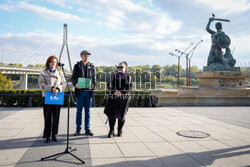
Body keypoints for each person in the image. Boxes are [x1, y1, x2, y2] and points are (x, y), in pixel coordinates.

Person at [38, 55, 66, 143]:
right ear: (48, 63)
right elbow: (41, 84)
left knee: (56, 117)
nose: (53, 63)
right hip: (47, 97)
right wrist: (51, 89)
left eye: (55, 62)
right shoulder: (43, 73)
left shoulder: (60, 73)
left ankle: (54, 134)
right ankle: (47, 136)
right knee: (47, 117)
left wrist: (58, 89)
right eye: (51, 61)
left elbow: (64, 83)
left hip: (57, 97)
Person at [104, 61, 132, 138]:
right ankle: (111, 130)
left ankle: (120, 129)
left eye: (121, 67)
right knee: (111, 115)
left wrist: (121, 92)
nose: (119, 68)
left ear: (125, 68)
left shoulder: (128, 76)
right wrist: (114, 91)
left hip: (124, 99)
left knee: (122, 115)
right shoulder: (113, 75)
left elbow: (129, 88)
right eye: (118, 67)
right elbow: (109, 86)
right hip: (113, 98)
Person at [71, 50, 95, 136]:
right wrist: (75, 84)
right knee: (79, 111)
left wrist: (93, 85)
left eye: (88, 56)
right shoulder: (77, 66)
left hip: (88, 92)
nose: (86, 57)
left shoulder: (92, 66)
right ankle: (78, 129)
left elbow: (94, 80)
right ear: (81, 56)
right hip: (80, 92)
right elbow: (72, 78)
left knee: (87, 111)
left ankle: (87, 129)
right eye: (85, 56)